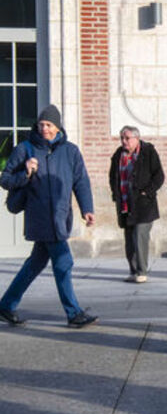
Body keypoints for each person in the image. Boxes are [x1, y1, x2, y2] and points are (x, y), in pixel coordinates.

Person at [0, 105, 98, 328]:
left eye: (49, 125)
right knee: (64, 261)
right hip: (40, 217)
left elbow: (81, 181)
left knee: (35, 264)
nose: (44, 128)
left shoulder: (70, 151)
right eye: (41, 124)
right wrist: (25, 172)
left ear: (57, 127)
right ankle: (73, 313)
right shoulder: (25, 149)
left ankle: (6, 305)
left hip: (60, 216)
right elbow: (5, 179)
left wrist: (87, 208)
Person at [109, 126, 165, 283]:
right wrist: (115, 194)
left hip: (144, 204)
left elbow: (159, 175)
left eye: (127, 138)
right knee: (129, 239)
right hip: (125, 203)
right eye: (122, 138)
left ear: (137, 138)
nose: (124, 141)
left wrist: (147, 192)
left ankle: (142, 271)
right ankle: (133, 271)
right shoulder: (118, 155)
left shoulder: (148, 152)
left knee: (140, 236)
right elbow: (113, 176)